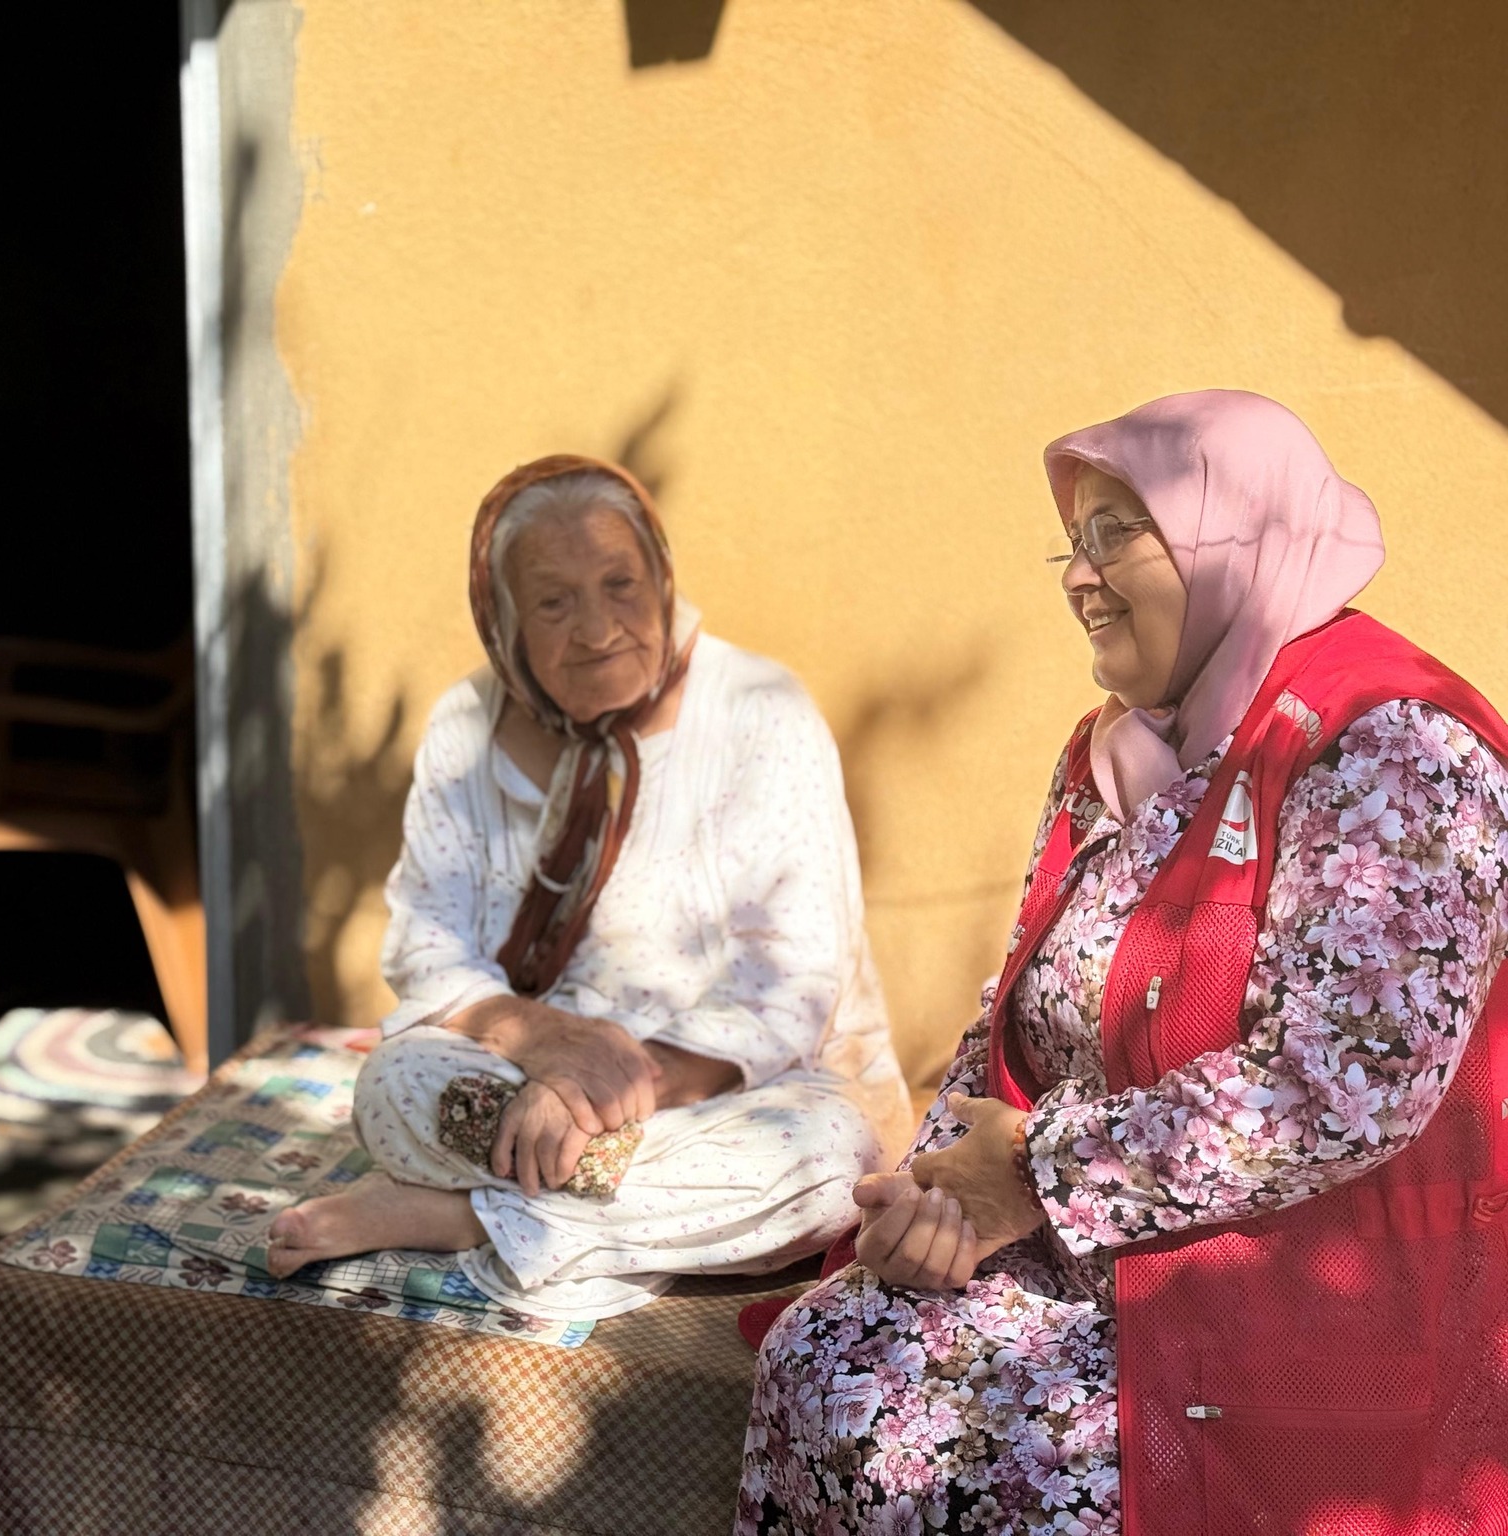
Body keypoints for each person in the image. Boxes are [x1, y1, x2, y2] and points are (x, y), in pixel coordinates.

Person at [736, 390, 1508, 1534]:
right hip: (1088, 1262)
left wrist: (1037, 1175)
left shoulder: (1391, 745)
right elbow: (1009, 1013)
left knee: (951, 1458)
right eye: (1071, 540)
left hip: (1280, 1306)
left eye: (1114, 534)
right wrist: (935, 1191)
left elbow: (1344, 1086)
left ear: (1228, 537)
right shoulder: (1117, 751)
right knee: (825, 1357)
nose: (1078, 577)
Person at [267, 454, 909, 1319]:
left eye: (620, 584)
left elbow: (787, 983)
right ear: (502, 618)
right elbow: (426, 944)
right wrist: (539, 1040)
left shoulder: (762, 711)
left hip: (723, 1090)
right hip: (528, 1083)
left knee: (828, 1163)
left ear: (663, 578)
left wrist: (606, 1091)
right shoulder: (467, 727)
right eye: (553, 602)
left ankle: (463, 1216)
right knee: (394, 1084)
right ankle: (594, 1214)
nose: (599, 628)